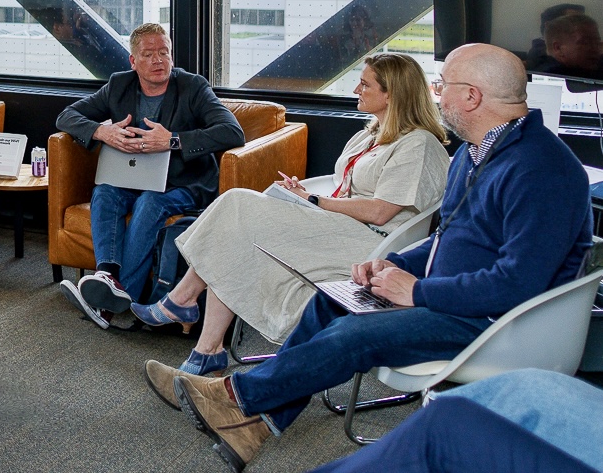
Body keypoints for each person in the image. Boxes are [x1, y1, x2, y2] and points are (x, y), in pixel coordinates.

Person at [145, 44, 594, 473]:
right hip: (454, 298)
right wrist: (392, 263)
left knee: (351, 334)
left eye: (443, 86)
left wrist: (416, 290)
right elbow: (445, 238)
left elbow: (519, 282)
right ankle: (254, 426)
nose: (436, 95)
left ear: (471, 97)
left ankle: (234, 399)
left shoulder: (542, 170)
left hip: (495, 322)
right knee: (331, 300)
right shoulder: (476, 156)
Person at [132, 53, 449, 375]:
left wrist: (313, 200)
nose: (356, 89)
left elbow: (381, 211)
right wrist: (303, 196)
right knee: (235, 235)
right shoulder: (371, 134)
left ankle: (183, 304)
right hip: (342, 225)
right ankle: (206, 348)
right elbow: (347, 189)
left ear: (392, 93)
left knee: (238, 205)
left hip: (372, 243)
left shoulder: (418, 145)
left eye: (365, 84)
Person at [54, 23, 245, 329]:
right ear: (133, 61)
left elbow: (232, 132)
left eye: (164, 52)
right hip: (133, 177)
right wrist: (102, 131)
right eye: (148, 54)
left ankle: (114, 300)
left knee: (150, 203)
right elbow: (67, 116)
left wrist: (172, 141)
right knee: (104, 192)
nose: (158, 60)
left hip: (183, 182)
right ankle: (107, 276)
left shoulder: (193, 87)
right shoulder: (119, 85)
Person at [310, 369, 603, 473]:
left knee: (448, 427)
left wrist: (419, 290)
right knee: (518, 392)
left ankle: (265, 405)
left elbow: (513, 281)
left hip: (474, 313)